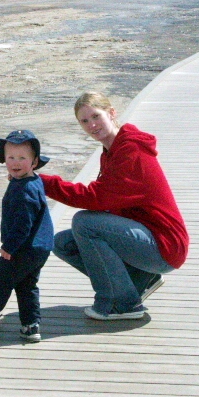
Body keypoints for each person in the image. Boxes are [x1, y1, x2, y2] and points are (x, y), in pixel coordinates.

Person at [39, 92, 189, 321]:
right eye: (84, 121)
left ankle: (121, 304)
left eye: (96, 116)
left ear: (111, 113)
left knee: (85, 223)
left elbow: (96, 198)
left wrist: (43, 183)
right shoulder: (112, 151)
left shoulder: (131, 151)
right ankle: (140, 279)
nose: (92, 125)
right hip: (146, 237)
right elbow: (107, 201)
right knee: (63, 243)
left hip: (165, 246)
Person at [0, 130, 53, 342]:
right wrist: (15, 179)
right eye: (11, 157)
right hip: (41, 246)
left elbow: (23, 225)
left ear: (34, 162)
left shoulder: (23, 191)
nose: (15, 162)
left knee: (1, 279)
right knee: (26, 285)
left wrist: (9, 246)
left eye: (22, 158)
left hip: (23, 247)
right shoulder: (31, 180)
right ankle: (31, 325)